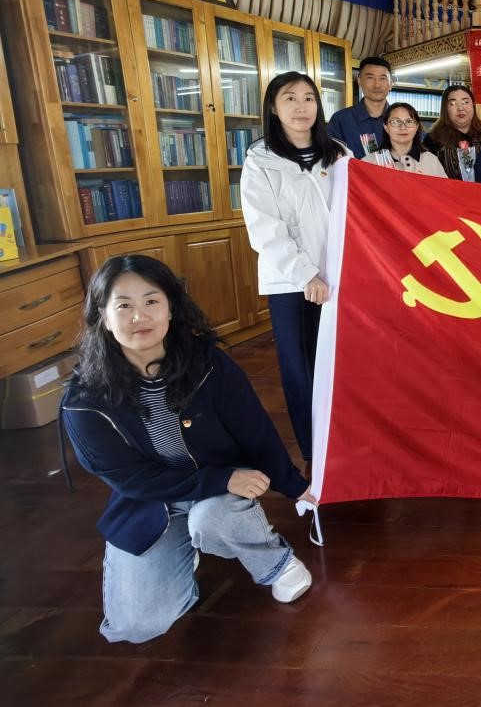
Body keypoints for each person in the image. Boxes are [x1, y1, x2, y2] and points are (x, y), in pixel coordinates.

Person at [61, 255, 315, 644]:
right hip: (150, 501)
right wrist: (218, 479)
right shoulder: (84, 399)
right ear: (103, 317)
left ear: (170, 308)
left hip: (219, 491)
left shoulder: (208, 364)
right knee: (137, 625)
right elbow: (130, 480)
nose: (139, 316)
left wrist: (295, 485)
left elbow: (255, 432)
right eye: (123, 305)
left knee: (214, 518)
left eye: (151, 301)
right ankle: (183, 550)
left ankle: (274, 561)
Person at [241, 71, 347, 463]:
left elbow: (356, 211)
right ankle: (314, 454)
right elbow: (265, 230)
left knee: (340, 365)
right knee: (301, 369)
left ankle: (344, 443)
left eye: (308, 98)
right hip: (292, 283)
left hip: (340, 276)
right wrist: (306, 274)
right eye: (290, 98)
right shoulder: (261, 160)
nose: (301, 107)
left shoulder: (339, 153)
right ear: (273, 107)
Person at [327, 56, 393, 159]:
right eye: (370, 78)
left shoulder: (402, 120)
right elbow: (331, 159)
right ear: (359, 80)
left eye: (383, 78)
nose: (377, 85)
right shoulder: (340, 120)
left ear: (390, 83)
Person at [363, 101, 446, 176]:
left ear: (416, 127)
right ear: (386, 127)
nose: (403, 127)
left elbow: (444, 188)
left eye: (409, 121)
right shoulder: (369, 162)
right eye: (396, 122)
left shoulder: (431, 161)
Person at [426, 83, 481, 180]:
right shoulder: (433, 139)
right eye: (453, 104)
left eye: (465, 102)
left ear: (473, 105)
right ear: (445, 109)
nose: (460, 108)